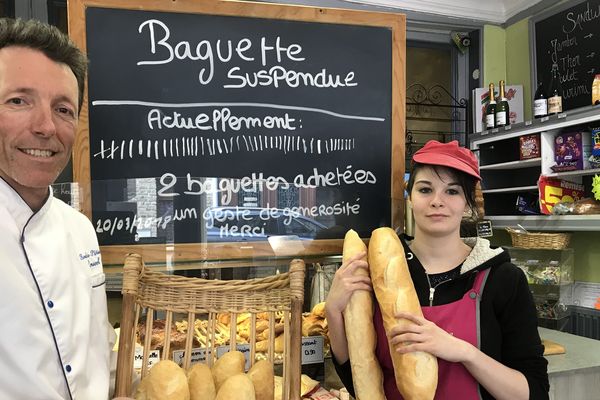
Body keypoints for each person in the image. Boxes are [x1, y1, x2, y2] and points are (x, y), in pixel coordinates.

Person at [325, 140, 549, 399]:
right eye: (425, 189)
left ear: (467, 203)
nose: (437, 201)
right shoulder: (378, 267)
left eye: (452, 192)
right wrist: (333, 310)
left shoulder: (504, 279)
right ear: (410, 199)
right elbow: (359, 378)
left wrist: (463, 352)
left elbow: (534, 392)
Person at [0, 18, 116, 399]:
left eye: (63, 109)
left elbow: (97, 355)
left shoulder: (80, 230)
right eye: (18, 101)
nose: (46, 126)